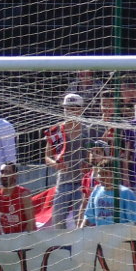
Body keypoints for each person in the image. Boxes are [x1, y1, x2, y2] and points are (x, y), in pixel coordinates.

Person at [45, 92, 100, 229]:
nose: (70, 111)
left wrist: (89, 163)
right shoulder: (56, 131)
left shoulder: (88, 130)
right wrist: (56, 164)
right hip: (63, 181)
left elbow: (96, 154)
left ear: (81, 109)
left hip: (82, 181)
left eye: (74, 108)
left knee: (79, 219)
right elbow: (47, 156)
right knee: (58, 219)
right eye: (68, 108)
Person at [81, 162, 136, 226]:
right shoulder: (96, 191)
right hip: (101, 232)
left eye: (105, 173)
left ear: (114, 175)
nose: (102, 177)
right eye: (100, 174)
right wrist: (81, 230)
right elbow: (88, 217)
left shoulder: (126, 193)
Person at [0, 162, 34, 235]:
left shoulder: (23, 194)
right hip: (3, 238)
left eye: (8, 172)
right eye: (2, 172)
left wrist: (21, 239)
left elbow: (31, 223)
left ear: (15, 176)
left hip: (22, 237)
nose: (4, 175)